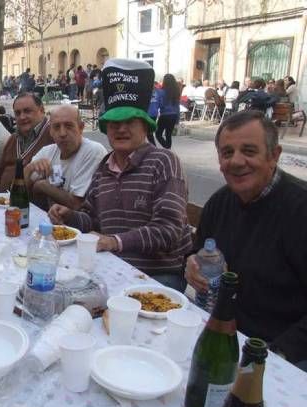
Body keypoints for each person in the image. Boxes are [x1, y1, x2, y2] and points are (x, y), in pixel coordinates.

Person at [51, 59, 192, 290]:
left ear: (145, 126)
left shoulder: (163, 162)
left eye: (130, 122)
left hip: (158, 275)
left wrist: (115, 242)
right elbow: (93, 219)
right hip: (113, 266)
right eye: (114, 123)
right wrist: (70, 216)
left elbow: (169, 230)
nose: (121, 129)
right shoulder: (105, 165)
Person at [184, 111, 307, 370]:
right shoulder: (220, 202)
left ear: (274, 155)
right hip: (220, 335)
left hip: (280, 353)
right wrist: (192, 264)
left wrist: (276, 355)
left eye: (249, 151)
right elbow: (195, 252)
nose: (237, 161)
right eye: (227, 153)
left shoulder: (299, 209)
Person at [24, 104, 106, 211]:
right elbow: (17, 190)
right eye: (56, 127)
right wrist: (29, 169)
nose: (62, 133)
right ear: (51, 132)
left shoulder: (93, 151)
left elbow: (76, 204)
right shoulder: (47, 151)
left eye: (68, 126)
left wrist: (42, 185)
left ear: (81, 128)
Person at [0, 92, 53, 193]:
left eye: (27, 111)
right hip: (1, 203)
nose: (22, 117)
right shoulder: (13, 138)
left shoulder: (52, 136)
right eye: (18, 113)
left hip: (31, 205)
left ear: (41, 110)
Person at [155, 74, 181, 149]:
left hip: (164, 115)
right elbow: (177, 106)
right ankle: (168, 148)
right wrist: (177, 120)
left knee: (158, 134)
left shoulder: (161, 92)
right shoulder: (176, 92)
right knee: (168, 134)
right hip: (174, 115)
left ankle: (166, 147)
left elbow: (160, 104)